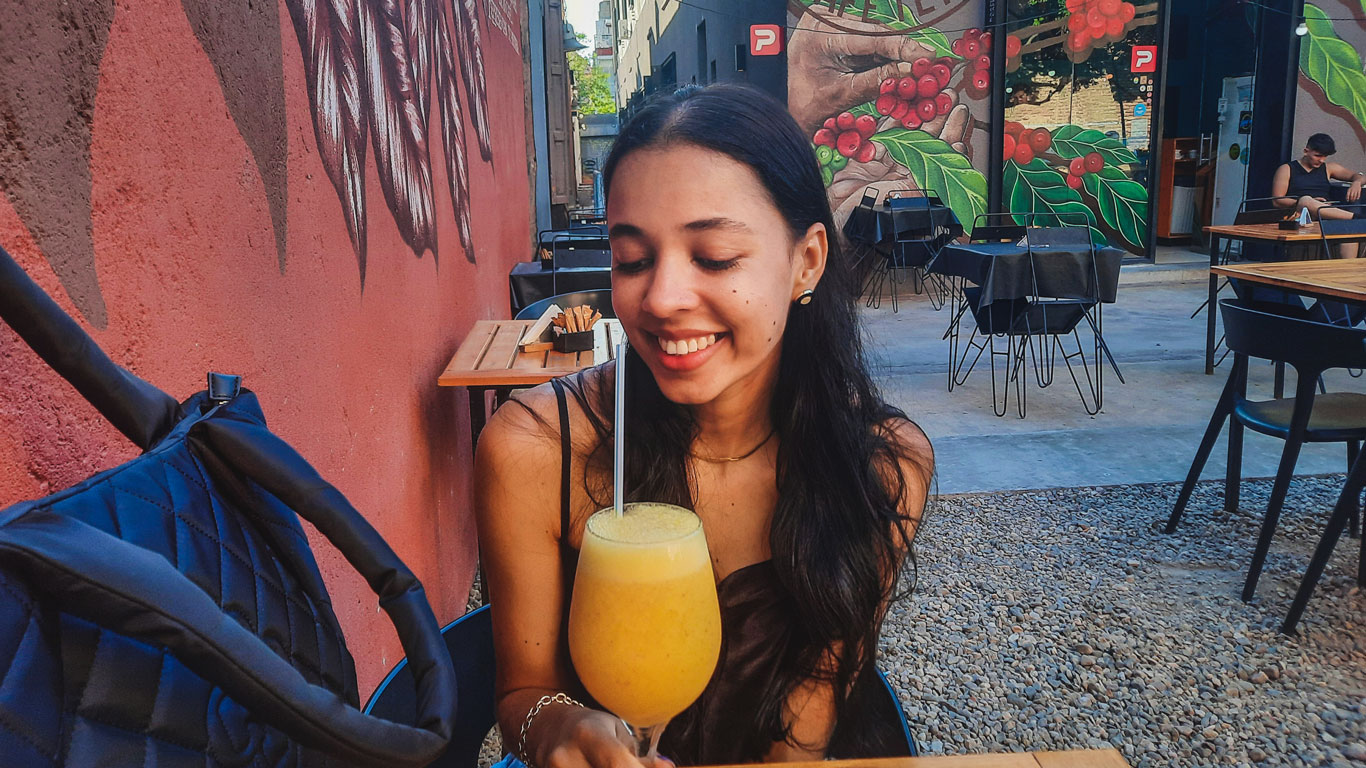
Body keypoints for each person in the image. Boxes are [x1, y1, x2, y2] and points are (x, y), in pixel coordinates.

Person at [475, 83, 933, 768]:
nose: (659, 299)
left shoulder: (876, 466)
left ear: (806, 261)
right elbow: (522, 693)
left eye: (715, 256)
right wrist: (556, 726)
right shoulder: (538, 449)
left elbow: (807, 726)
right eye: (631, 259)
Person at [1271, 133, 1365, 258]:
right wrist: (1305, 202)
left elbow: (1357, 176)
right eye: (1318, 156)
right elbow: (1277, 200)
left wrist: (1357, 183)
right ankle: (1359, 219)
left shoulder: (1328, 168)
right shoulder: (1287, 169)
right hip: (1302, 214)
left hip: (1328, 215)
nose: (1321, 160)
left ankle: (1348, 270)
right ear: (1306, 151)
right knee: (1306, 200)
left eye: (1325, 156)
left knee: (1349, 229)